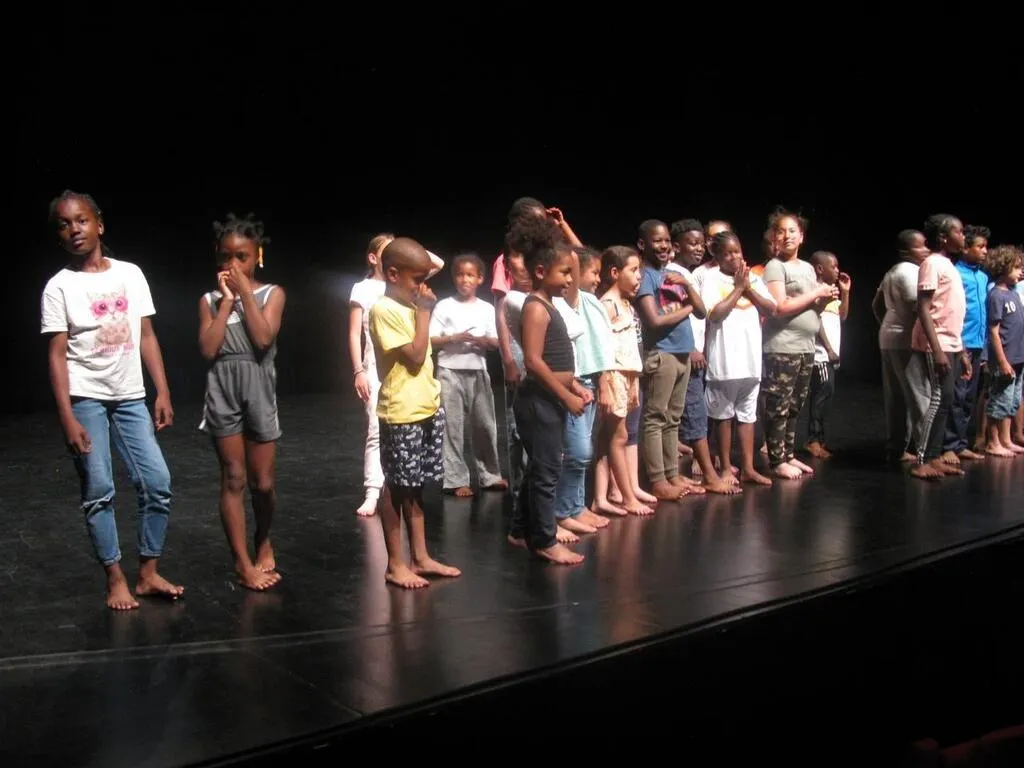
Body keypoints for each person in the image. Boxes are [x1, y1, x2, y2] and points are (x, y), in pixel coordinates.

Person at [41, 190, 183, 610]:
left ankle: (148, 573)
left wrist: (162, 390)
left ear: (99, 224)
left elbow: (147, 335)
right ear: (58, 235)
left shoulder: (130, 274)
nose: (74, 229)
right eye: (65, 224)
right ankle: (115, 578)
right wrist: (67, 416)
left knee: (157, 482)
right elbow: (56, 355)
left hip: (130, 396)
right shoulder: (59, 287)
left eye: (81, 220)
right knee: (99, 488)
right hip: (86, 398)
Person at [198, 213, 286, 591]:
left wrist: (245, 294)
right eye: (226, 257)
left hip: (258, 386)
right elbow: (208, 349)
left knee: (262, 483)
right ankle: (242, 563)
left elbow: (263, 338)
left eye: (242, 257)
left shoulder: (272, 294)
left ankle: (263, 538)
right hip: (223, 388)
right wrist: (226, 303)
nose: (232, 265)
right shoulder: (208, 300)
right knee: (233, 478)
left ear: (257, 256)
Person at [369, 237, 461, 588]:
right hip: (401, 411)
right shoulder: (385, 309)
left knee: (416, 486)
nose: (423, 286)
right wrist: (424, 311)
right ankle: (395, 563)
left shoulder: (408, 301)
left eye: (424, 279)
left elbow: (432, 263)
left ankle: (420, 557)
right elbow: (416, 356)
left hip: (425, 405)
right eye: (416, 280)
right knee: (396, 487)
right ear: (392, 274)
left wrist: (417, 289)